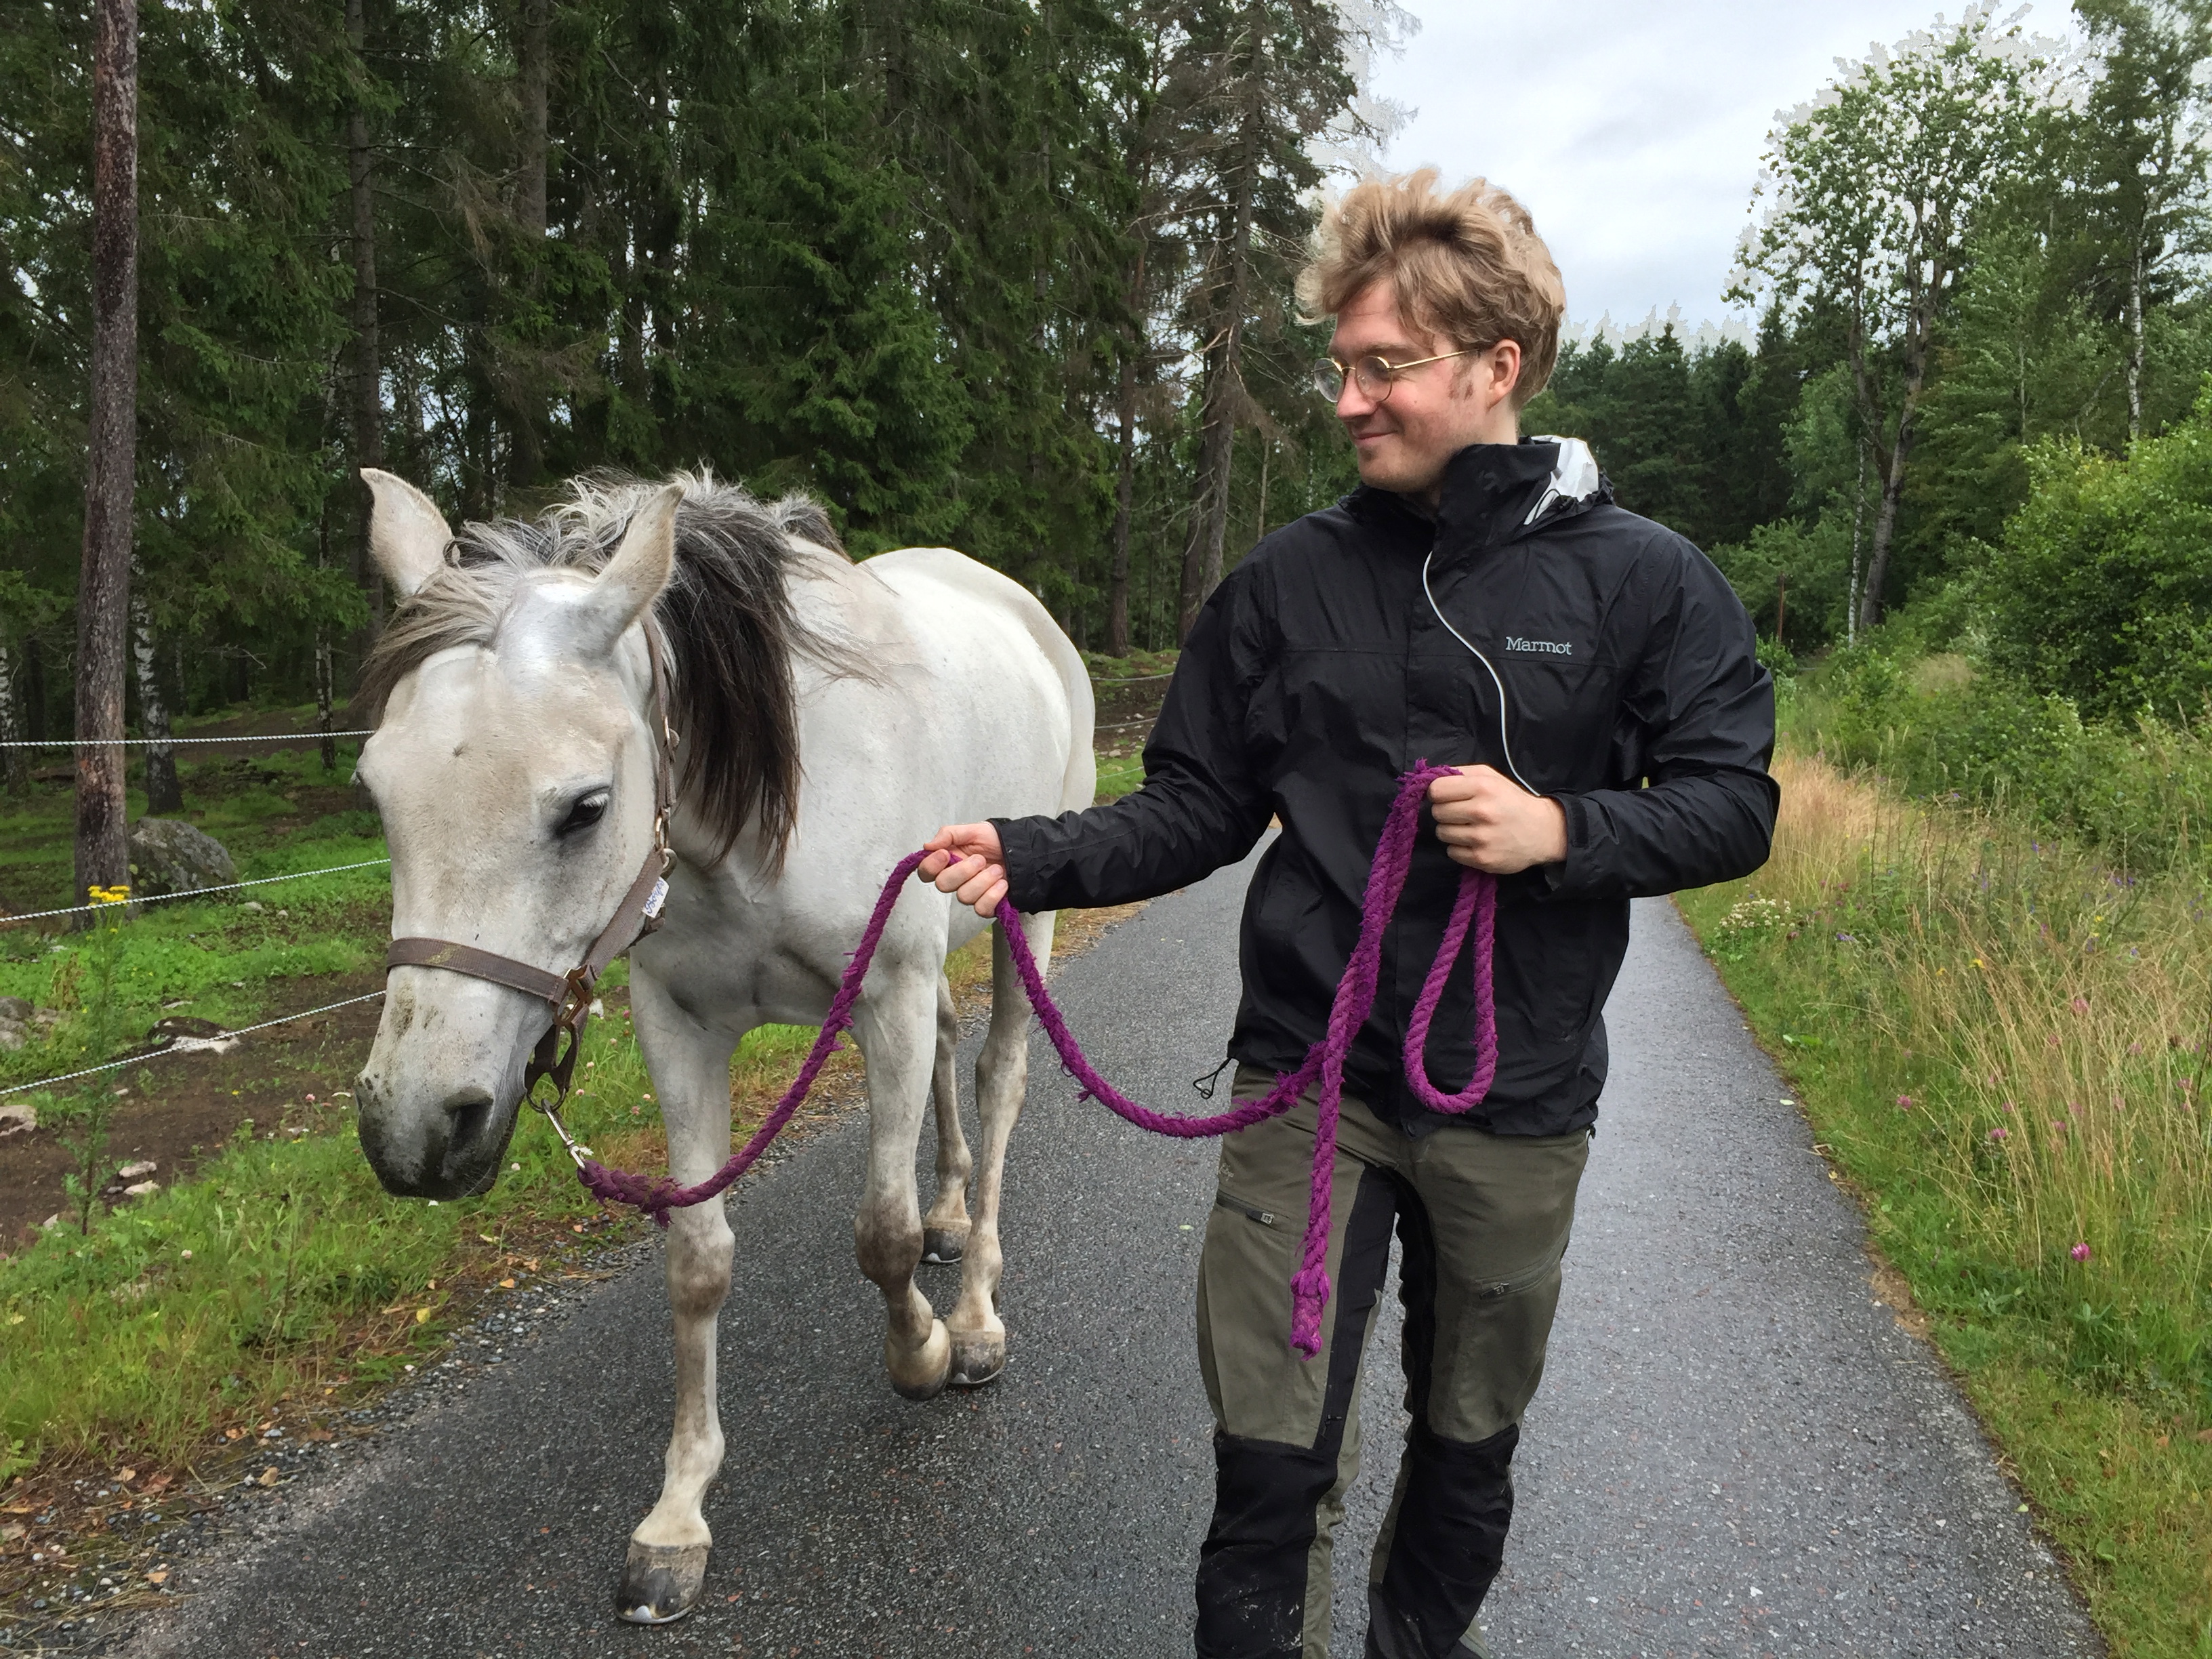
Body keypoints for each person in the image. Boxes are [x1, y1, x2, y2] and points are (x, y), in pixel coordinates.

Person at [916, 168, 1777, 1659]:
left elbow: (1734, 802)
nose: (1347, 400)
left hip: (1516, 1092)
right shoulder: (1286, 585)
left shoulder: (1647, 583)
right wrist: (1029, 850)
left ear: (1494, 368)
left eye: (1383, 366)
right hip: (1308, 1075)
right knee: (1264, 1464)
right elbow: (1192, 803)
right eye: (1341, 367)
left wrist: (1562, 829)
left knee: (1466, 1443)